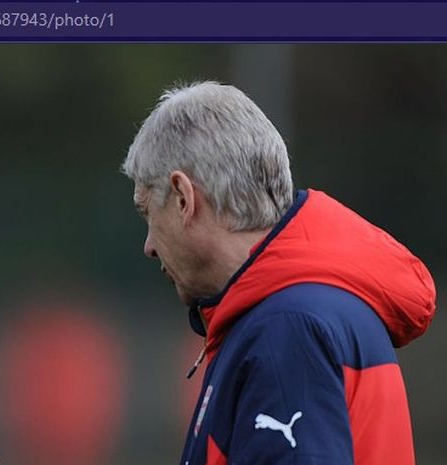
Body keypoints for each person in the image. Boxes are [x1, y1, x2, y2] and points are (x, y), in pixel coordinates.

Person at [121, 81, 436, 465]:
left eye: (147, 213)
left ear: (184, 198)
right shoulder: (302, 310)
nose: (149, 244)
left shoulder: (286, 329)